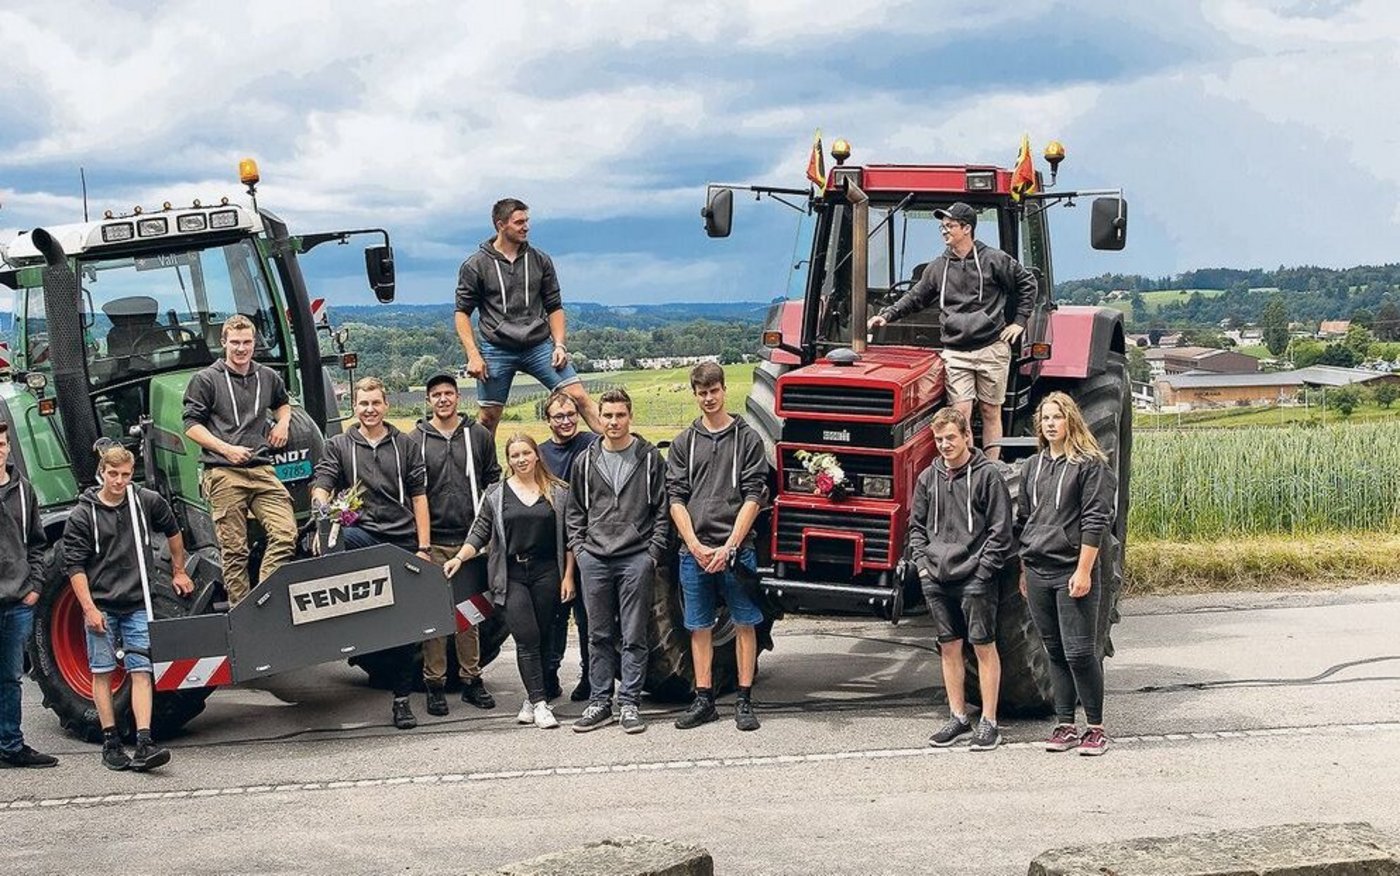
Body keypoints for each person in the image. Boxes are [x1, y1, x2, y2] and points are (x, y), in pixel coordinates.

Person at [867, 201, 1036, 461]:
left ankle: (990, 468)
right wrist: (887, 314)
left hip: (991, 347)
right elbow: (915, 297)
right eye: (943, 227)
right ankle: (966, 468)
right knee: (960, 414)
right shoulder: (938, 267)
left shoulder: (994, 259)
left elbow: (1027, 283)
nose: (944, 231)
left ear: (967, 228)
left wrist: (1019, 321)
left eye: (950, 226)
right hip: (956, 352)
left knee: (991, 411)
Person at [62, 445, 193, 771]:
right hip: (103, 606)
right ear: (102, 473)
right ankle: (111, 742)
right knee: (103, 671)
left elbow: (173, 530)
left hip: (138, 603)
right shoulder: (83, 515)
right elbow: (74, 566)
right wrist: (89, 609)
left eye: (125, 475)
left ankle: (145, 742)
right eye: (113, 474)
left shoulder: (145, 501)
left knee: (141, 671)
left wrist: (179, 570)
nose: (119, 481)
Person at [311, 377, 430, 731]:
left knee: (405, 625)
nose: (370, 409)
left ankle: (402, 701)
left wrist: (423, 548)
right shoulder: (339, 445)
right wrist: (323, 519)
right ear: (355, 407)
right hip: (362, 534)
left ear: (386, 405)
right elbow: (322, 485)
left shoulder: (406, 445)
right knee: (335, 542)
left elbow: (420, 497)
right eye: (363, 404)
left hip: (400, 539)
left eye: (376, 403)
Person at [444, 434, 574, 731]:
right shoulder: (496, 494)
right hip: (511, 574)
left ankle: (532, 698)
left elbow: (570, 538)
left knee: (543, 637)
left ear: (536, 455)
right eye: (515, 455)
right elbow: (480, 531)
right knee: (526, 637)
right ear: (509, 460)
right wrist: (460, 558)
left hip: (547, 572)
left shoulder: (558, 492)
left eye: (526, 453)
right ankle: (540, 704)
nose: (521, 459)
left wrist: (568, 576)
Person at [666, 362, 768, 732]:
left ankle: (744, 700)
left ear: (724, 390)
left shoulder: (748, 439)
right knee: (698, 626)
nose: (709, 398)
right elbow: (676, 498)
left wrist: (730, 546)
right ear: (695, 395)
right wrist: (693, 544)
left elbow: (754, 496)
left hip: (738, 551)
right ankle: (704, 699)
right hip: (694, 552)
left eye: (714, 391)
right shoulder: (683, 442)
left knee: (745, 623)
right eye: (702, 393)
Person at [909, 408, 1014, 751]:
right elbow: (916, 528)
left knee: (983, 646)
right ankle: (958, 717)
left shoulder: (988, 476)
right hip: (937, 578)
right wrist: (923, 568)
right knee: (949, 646)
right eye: (939, 439)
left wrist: (983, 570)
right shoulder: (928, 478)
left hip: (975, 578)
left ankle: (989, 722)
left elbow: (1000, 531)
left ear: (967, 436)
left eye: (951, 438)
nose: (945, 445)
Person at [1017, 391, 1115, 756]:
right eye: (1045, 418)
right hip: (1037, 569)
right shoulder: (1032, 467)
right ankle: (1065, 725)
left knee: (1080, 653)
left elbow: (1095, 521)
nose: (1050, 423)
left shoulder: (1090, 466)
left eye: (1057, 417)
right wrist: (1023, 569)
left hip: (1072, 571)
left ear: (1071, 420)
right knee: (1054, 651)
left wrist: (1084, 571)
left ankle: (1096, 728)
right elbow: (1024, 521)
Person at [454, 198, 601, 435]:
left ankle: (620, 449)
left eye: (526, 221)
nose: (526, 227)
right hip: (497, 348)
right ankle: (480, 460)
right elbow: (462, 312)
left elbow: (554, 307)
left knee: (578, 396)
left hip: (538, 345)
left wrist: (559, 345)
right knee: (488, 417)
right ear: (501, 225)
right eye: (519, 222)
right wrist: (473, 354)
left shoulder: (540, 260)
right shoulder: (475, 265)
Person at [567, 389, 668, 734]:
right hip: (594, 558)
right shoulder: (585, 461)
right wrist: (581, 551)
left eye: (620, 415)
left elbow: (662, 511)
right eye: (608, 416)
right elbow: (575, 512)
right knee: (598, 634)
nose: (613, 422)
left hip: (635, 558)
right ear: (600, 417)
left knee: (633, 634)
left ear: (630, 417)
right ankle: (600, 702)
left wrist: (652, 553)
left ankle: (629, 703)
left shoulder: (649, 458)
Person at [182, 314, 297, 605]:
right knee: (235, 551)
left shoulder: (268, 376)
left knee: (286, 534)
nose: (241, 348)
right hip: (224, 471)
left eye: (246, 342)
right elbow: (191, 426)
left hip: (261, 468)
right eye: (235, 342)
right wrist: (226, 449)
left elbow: (282, 403)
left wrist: (283, 423)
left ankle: (264, 600)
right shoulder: (206, 379)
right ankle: (242, 611)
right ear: (224, 343)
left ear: (255, 343)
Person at [410, 372, 501, 715]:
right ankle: (434, 683)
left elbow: (493, 480)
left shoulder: (478, 435)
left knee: (469, 615)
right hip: (431, 540)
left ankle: (471, 680)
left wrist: (487, 531)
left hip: (470, 539)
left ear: (458, 397)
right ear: (428, 400)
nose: (443, 399)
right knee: (433, 616)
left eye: (448, 393)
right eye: (436, 394)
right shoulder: (416, 439)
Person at [0, 423, 57, 768]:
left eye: (1, 443)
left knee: (10, 678)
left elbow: (37, 542)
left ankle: (10, 745)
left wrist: (35, 587)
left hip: (17, 600)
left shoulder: (23, 490)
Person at [539, 389, 599, 702]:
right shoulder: (540, 454)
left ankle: (590, 676)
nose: (566, 421)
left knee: (588, 618)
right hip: (552, 548)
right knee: (555, 618)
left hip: (587, 543)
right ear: (547, 420)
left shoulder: (592, 444)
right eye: (559, 416)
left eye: (571, 415)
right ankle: (550, 675)